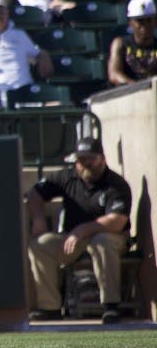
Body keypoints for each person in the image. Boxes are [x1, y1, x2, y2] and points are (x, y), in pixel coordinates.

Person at [26, 137, 132, 324]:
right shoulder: (68, 177)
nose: (85, 164)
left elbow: (117, 221)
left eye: (90, 159)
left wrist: (84, 229)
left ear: (102, 159)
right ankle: (49, 307)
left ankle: (110, 306)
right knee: (41, 245)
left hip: (110, 236)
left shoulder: (116, 184)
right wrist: (38, 218)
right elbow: (35, 193)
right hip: (74, 238)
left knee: (102, 242)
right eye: (81, 159)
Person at [109, 0, 157, 86]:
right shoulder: (120, 44)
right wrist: (136, 87)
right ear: (131, 23)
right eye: (140, 21)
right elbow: (114, 75)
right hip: (128, 95)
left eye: (149, 20)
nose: (145, 26)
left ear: (155, 22)